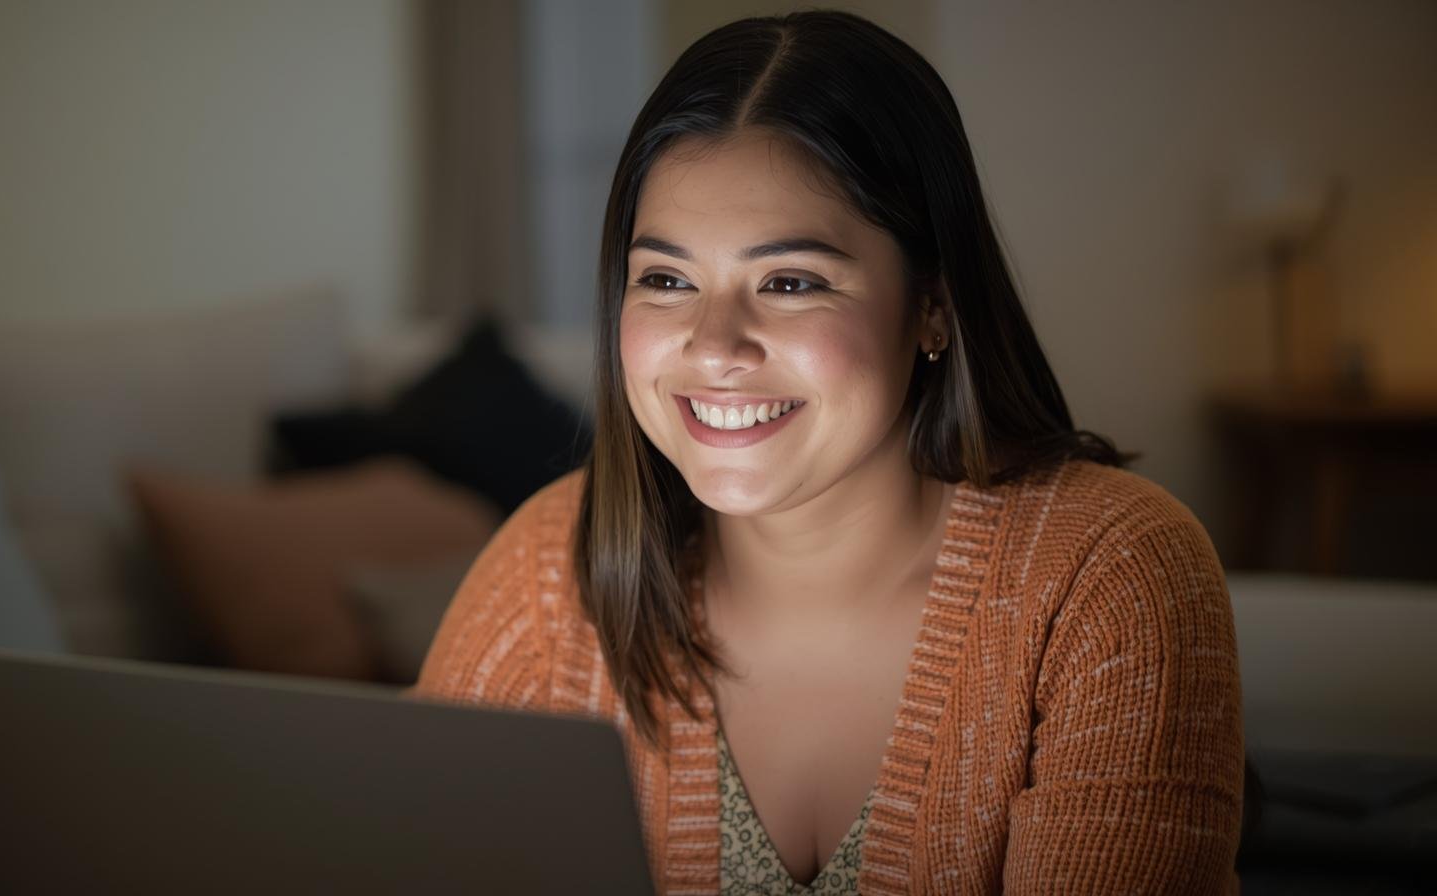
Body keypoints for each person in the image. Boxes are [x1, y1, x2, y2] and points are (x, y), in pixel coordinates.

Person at [414, 9, 1244, 894]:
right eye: (666, 279)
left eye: (790, 282)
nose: (715, 345)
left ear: (933, 305)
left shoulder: (1107, 578)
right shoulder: (546, 579)